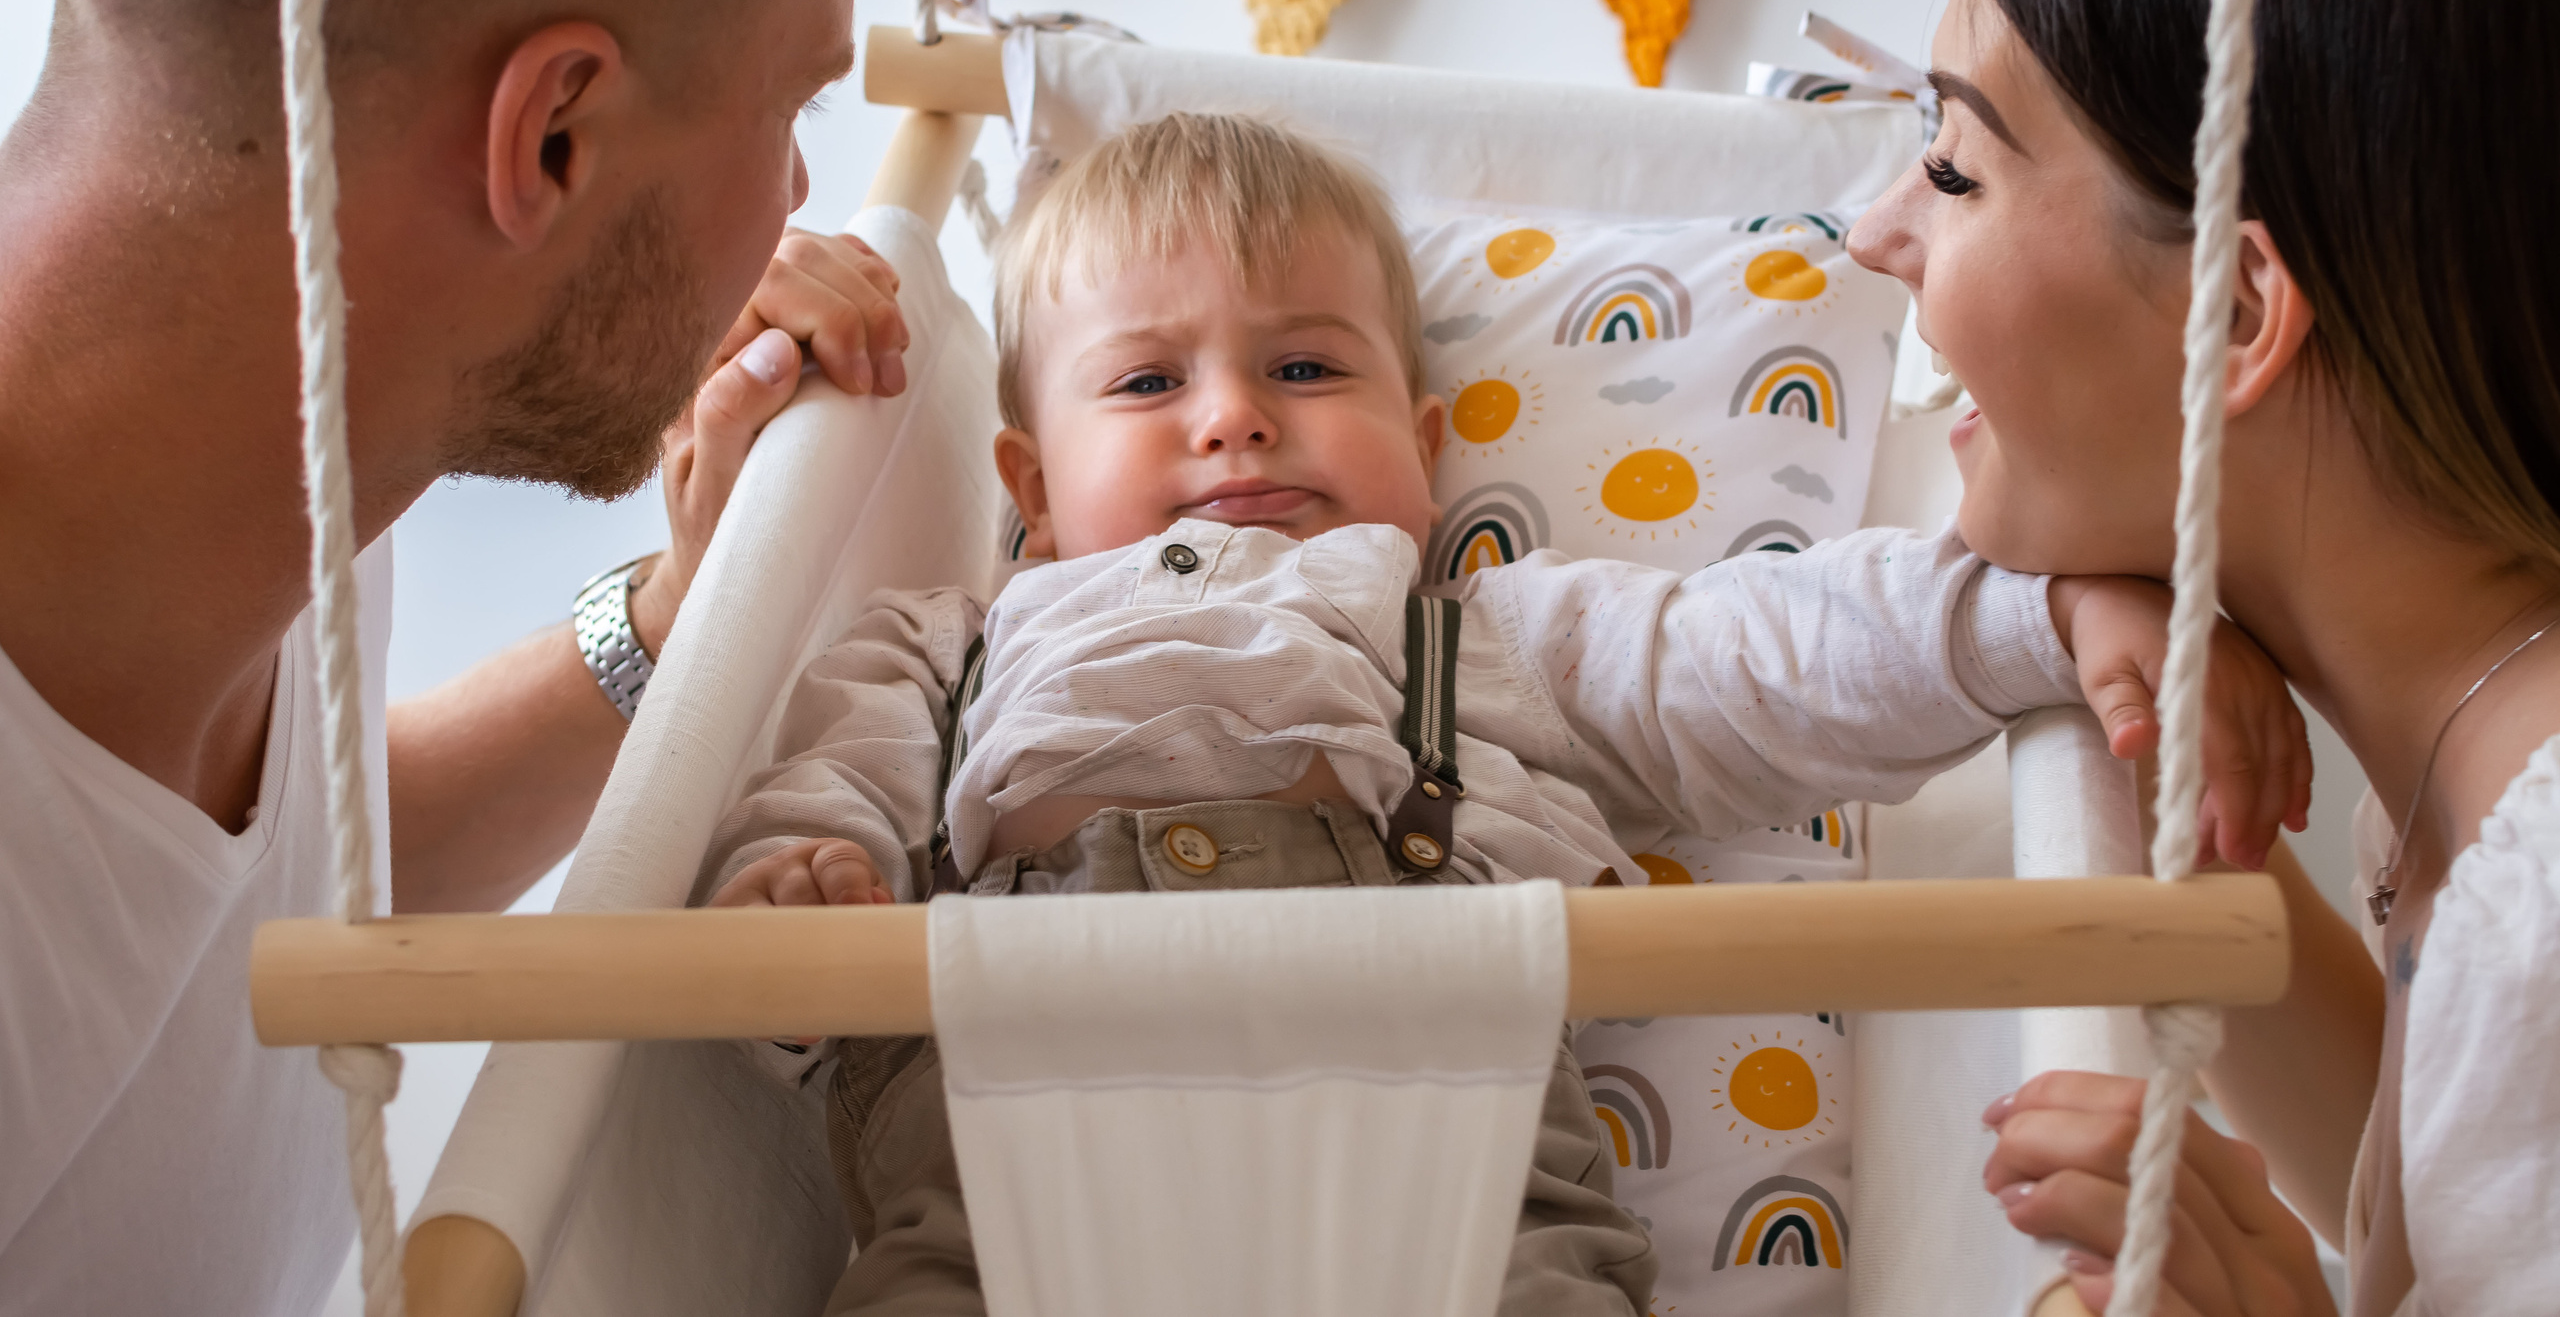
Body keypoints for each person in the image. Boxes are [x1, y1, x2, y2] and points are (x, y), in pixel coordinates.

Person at [701, 112, 2315, 1317]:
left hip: (1461, 1200)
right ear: (1033, 490)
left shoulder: (1486, 642)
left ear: (1423, 447)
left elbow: (1772, 651)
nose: (1235, 416)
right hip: (1007, 1194)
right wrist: (797, 885)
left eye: (1306, 369)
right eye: (1146, 384)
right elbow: (820, 804)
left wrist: (2048, 611)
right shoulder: (952, 649)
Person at [0, 0, 911, 1313]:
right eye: (790, 106)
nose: (796, 196)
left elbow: (280, 883)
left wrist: (672, 620)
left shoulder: (282, 371)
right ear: (550, 133)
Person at [1845, 0, 2560, 1317]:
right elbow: (2447, 1173)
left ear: (2235, 313)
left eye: (1952, 168)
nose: (1872, 231)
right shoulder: (2472, 767)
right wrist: (2158, 758)